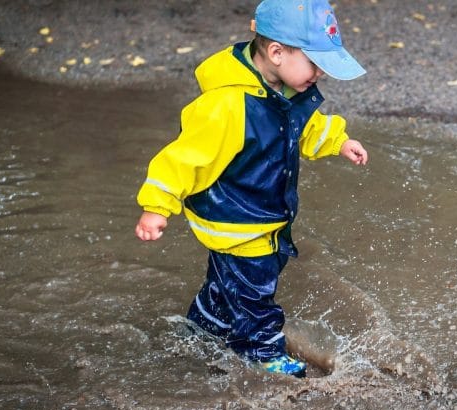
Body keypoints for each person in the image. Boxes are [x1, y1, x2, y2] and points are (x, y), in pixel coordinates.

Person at [134, 0, 367, 378]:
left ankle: (202, 327)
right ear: (276, 53)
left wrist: (338, 141)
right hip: (240, 221)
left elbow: (304, 126)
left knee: (227, 284)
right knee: (257, 296)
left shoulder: (283, 91)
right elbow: (184, 157)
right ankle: (261, 354)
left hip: (258, 216)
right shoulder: (227, 104)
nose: (320, 73)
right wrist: (157, 207)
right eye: (314, 62)